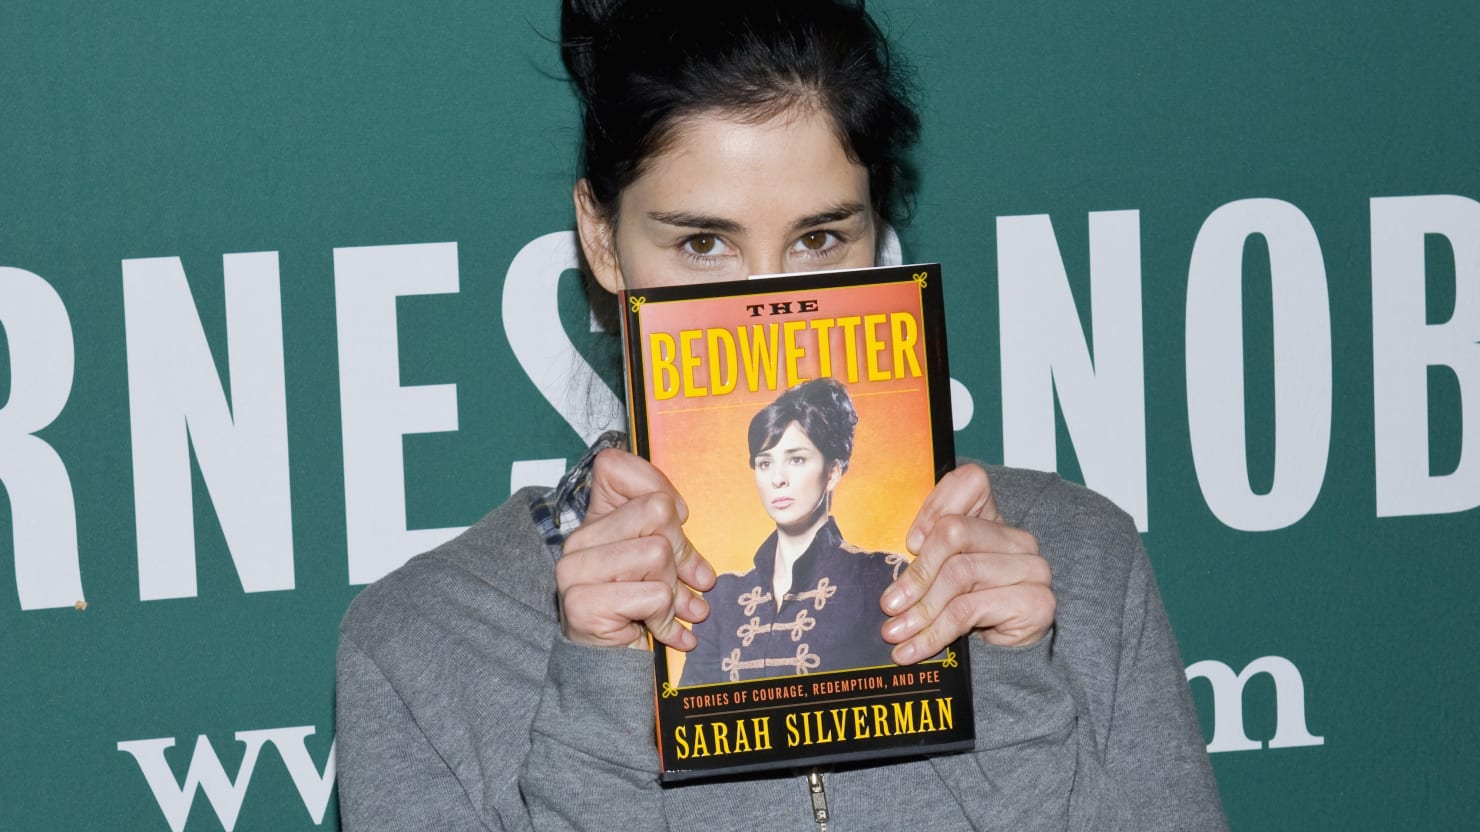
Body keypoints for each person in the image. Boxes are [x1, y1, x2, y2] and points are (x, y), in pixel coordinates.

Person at [335, 1, 1227, 829]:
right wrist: (601, 704)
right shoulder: (422, 647)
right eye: (703, 244)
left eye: (819, 239)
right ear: (602, 239)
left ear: (879, 232)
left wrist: (1009, 696)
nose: (769, 312)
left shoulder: (1077, 562)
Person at [680, 378, 903, 686]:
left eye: (796, 459)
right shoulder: (722, 598)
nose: (778, 479)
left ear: (833, 472)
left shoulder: (883, 578)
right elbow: (693, 713)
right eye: (765, 463)